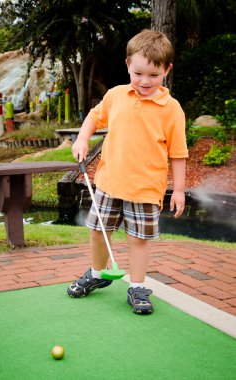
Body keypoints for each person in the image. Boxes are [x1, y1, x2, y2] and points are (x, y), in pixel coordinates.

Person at [67, 29, 188, 314]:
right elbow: (93, 118)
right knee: (98, 232)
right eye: (138, 73)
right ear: (127, 66)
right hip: (109, 183)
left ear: (167, 71)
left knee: (139, 240)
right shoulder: (116, 96)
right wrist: (82, 139)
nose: (145, 82)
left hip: (146, 189)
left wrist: (179, 189)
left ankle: (137, 287)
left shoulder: (172, 109)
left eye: (154, 75)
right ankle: (98, 274)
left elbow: (178, 154)